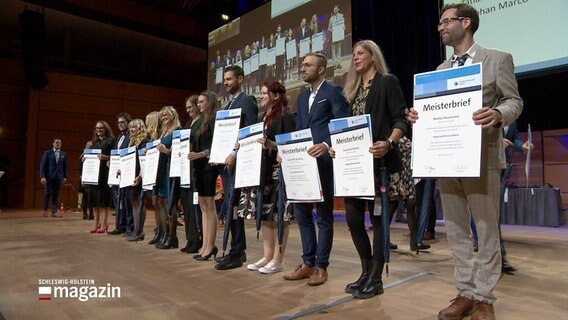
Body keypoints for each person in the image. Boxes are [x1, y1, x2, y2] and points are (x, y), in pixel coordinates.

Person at [408, 4, 523, 319]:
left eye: (445, 21)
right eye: (440, 22)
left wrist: (499, 114)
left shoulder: (497, 59)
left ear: (466, 22)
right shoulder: (439, 71)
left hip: (483, 158)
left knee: (485, 231)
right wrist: (418, 115)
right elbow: (430, 112)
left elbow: (514, 101)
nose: (440, 27)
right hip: (446, 159)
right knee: (456, 230)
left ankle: (484, 297)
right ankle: (465, 293)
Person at [329, 41, 407, 298]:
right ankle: (365, 271)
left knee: (378, 222)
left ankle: (376, 278)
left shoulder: (387, 82)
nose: (355, 58)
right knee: (353, 220)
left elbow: (400, 118)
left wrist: (389, 142)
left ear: (374, 56)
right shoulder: (352, 91)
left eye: (360, 53)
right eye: (353, 55)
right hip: (356, 169)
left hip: (382, 166)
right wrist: (337, 148)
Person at [282, 53, 348, 286]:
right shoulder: (301, 98)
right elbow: (301, 129)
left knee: (324, 216)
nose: (303, 68)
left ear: (321, 69)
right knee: (301, 213)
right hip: (302, 165)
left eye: (308, 65)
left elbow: (341, 124)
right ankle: (307, 263)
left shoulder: (333, 92)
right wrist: (288, 153)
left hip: (324, 163)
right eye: (302, 65)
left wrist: (327, 144)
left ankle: (321, 266)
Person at [243, 81, 296, 275]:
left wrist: (271, 145)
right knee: (265, 215)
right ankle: (266, 256)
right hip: (262, 171)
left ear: (276, 96)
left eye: (265, 93)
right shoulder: (260, 119)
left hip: (278, 172)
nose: (261, 96)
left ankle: (278, 259)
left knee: (279, 214)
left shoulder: (286, 117)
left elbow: (291, 145)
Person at [215, 65, 259, 271]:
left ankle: (238, 251)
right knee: (229, 207)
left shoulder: (247, 101)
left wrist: (234, 154)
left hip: (238, 163)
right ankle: (234, 249)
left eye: (229, 79)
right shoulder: (226, 107)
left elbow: (249, 131)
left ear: (240, 79)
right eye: (224, 80)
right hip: (225, 166)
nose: (225, 83)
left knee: (234, 207)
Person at [189, 91, 220, 261]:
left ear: (210, 102)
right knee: (202, 205)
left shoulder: (214, 120)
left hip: (208, 166)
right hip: (199, 167)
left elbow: (216, 145)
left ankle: (210, 245)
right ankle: (205, 245)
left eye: (202, 102)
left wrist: (200, 154)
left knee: (209, 205)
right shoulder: (202, 121)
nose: (199, 104)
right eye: (198, 102)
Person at [155, 106, 182, 249]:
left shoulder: (177, 131)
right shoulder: (164, 133)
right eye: (162, 116)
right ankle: (164, 233)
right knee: (160, 202)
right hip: (160, 171)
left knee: (169, 203)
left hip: (169, 171)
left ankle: (172, 236)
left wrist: (166, 151)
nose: (164, 118)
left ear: (173, 115)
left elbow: (178, 151)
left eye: (166, 115)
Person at [180, 95, 204, 254]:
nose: (189, 110)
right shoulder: (189, 124)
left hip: (196, 168)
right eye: (187, 108)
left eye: (191, 107)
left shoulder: (202, 122)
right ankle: (190, 238)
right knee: (186, 205)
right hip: (184, 169)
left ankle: (198, 239)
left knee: (195, 206)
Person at [87, 121, 116, 233]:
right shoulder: (94, 142)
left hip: (105, 174)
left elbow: (115, 155)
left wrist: (106, 157)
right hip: (93, 175)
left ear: (106, 129)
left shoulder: (111, 140)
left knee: (103, 201)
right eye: (97, 128)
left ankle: (105, 223)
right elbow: (90, 155)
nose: (99, 130)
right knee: (94, 201)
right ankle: (96, 223)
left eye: (101, 128)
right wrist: (86, 158)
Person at [108, 113, 133, 235]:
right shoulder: (119, 137)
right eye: (118, 122)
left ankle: (129, 226)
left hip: (126, 172)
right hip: (117, 173)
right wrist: (110, 161)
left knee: (126, 200)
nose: (120, 124)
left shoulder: (131, 136)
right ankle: (119, 225)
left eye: (123, 122)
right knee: (118, 201)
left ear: (128, 123)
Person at [124, 119, 149, 242]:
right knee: (133, 203)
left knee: (140, 203)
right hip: (130, 176)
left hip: (140, 176)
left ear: (140, 128)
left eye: (134, 127)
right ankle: (136, 229)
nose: (131, 130)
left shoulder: (144, 142)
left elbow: (144, 161)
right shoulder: (130, 142)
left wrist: (140, 176)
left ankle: (140, 230)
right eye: (130, 128)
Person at [39, 138, 68, 218]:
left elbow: (65, 166)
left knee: (56, 194)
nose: (58, 144)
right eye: (56, 142)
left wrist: (65, 176)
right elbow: (42, 166)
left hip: (58, 177)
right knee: (47, 194)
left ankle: (54, 212)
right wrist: (42, 176)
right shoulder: (47, 153)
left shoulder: (63, 154)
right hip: (49, 177)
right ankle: (45, 210)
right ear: (53, 144)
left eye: (59, 143)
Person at [328, 4, 345, 70]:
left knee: (339, 50)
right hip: (334, 36)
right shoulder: (331, 18)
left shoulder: (341, 16)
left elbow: (343, 25)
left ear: (338, 9)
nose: (335, 10)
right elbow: (329, 28)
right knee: (333, 51)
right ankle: (334, 64)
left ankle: (339, 63)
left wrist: (343, 27)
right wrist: (332, 30)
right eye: (334, 9)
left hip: (339, 35)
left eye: (336, 9)